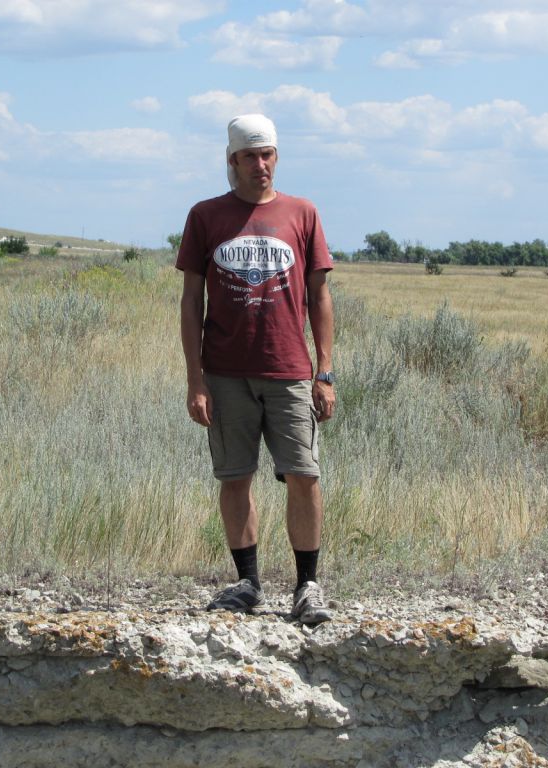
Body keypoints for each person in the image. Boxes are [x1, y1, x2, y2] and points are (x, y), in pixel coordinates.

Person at [176, 114, 336, 624]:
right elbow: (191, 300)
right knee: (235, 477)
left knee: (304, 475)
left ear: (276, 157)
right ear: (233, 160)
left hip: (289, 370)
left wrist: (324, 372)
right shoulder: (206, 216)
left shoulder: (302, 213)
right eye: (249, 155)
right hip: (225, 374)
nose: (259, 164)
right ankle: (247, 583)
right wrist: (196, 379)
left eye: (266, 154)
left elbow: (319, 296)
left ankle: (307, 587)